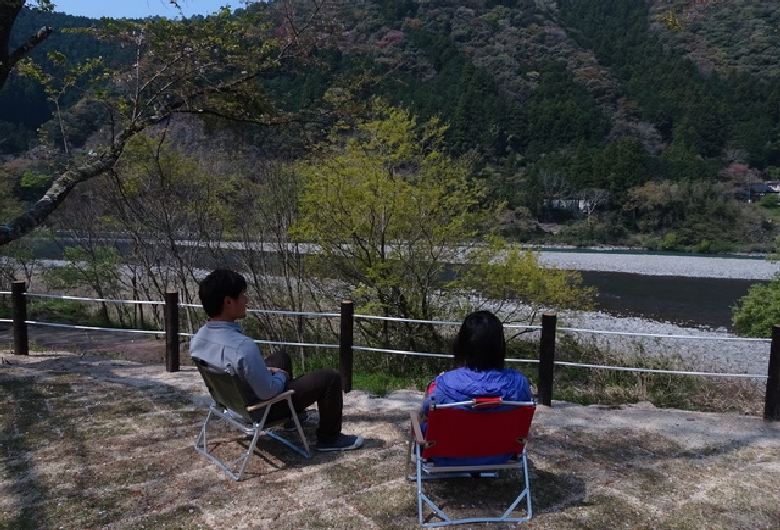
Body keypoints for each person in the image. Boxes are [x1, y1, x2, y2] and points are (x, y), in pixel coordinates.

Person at [190, 268, 363, 452]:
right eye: (242, 295)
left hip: (231, 405)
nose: (246, 300)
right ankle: (329, 439)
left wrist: (270, 372)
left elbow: (234, 369)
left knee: (280, 357)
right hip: (258, 410)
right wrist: (280, 376)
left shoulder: (198, 339)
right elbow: (267, 392)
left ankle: (293, 418)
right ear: (228, 302)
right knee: (330, 378)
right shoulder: (242, 346)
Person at [420, 310, 533, 465]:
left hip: (447, 456)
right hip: (500, 455)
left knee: (424, 421)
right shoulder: (520, 383)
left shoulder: (445, 383)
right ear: (499, 345)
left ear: (463, 343)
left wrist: (438, 382)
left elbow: (427, 411)